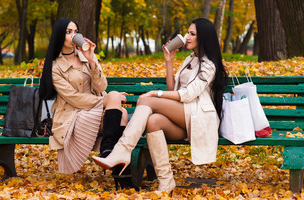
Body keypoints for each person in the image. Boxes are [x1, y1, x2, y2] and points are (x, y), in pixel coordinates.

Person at [92, 18, 229, 194]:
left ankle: (122, 150)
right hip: (185, 116)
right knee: (153, 122)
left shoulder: (210, 65)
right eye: (188, 32)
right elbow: (174, 89)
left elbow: (187, 95)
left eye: (192, 34)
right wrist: (169, 61)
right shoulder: (190, 59)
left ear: (203, 38)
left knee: (149, 100)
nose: (187, 37)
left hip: (198, 118)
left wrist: (154, 93)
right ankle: (166, 183)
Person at [39, 18, 129, 176]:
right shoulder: (55, 67)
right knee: (115, 99)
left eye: (75, 31)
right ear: (60, 36)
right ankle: (110, 155)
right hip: (74, 115)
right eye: (68, 32)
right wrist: (107, 100)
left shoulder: (86, 57)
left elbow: (101, 87)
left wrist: (92, 60)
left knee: (123, 114)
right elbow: (73, 98)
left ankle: (110, 156)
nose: (73, 35)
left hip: (92, 111)